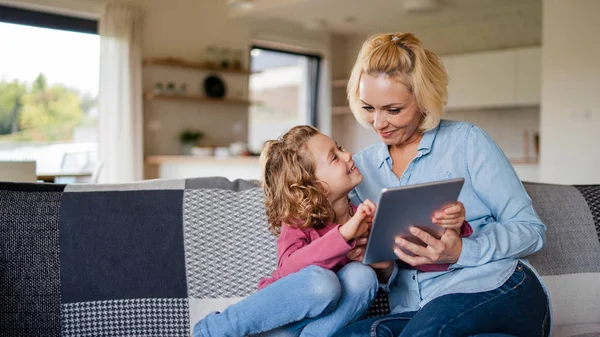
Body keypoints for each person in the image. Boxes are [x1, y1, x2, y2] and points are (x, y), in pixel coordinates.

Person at [333, 32, 551, 337]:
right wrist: (377, 262)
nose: (378, 123)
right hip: (416, 309)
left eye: (393, 110)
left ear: (424, 100)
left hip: (496, 287)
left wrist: (462, 251)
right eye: (369, 108)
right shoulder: (362, 168)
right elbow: (385, 269)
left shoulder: (467, 142)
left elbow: (531, 230)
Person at [193, 125, 469, 337]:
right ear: (313, 184)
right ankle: (217, 328)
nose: (348, 155)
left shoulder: (364, 214)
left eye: (340, 148)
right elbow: (289, 268)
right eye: (334, 157)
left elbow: (414, 258)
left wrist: (385, 266)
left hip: (313, 329)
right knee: (322, 282)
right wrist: (344, 235)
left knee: (363, 276)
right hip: (277, 321)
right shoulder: (300, 219)